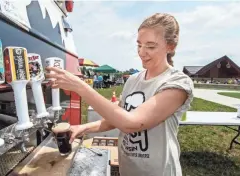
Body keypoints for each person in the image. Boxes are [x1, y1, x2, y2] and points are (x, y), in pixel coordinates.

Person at [45, 13, 194, 176]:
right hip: (128, 170)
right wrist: (83, 127)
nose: (142, 52)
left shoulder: (178, 82)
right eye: (139, 45)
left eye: (150, 46)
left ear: (170, 46)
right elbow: (116, 118)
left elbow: (130, 124)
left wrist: (80, 86)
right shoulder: (133, 80)